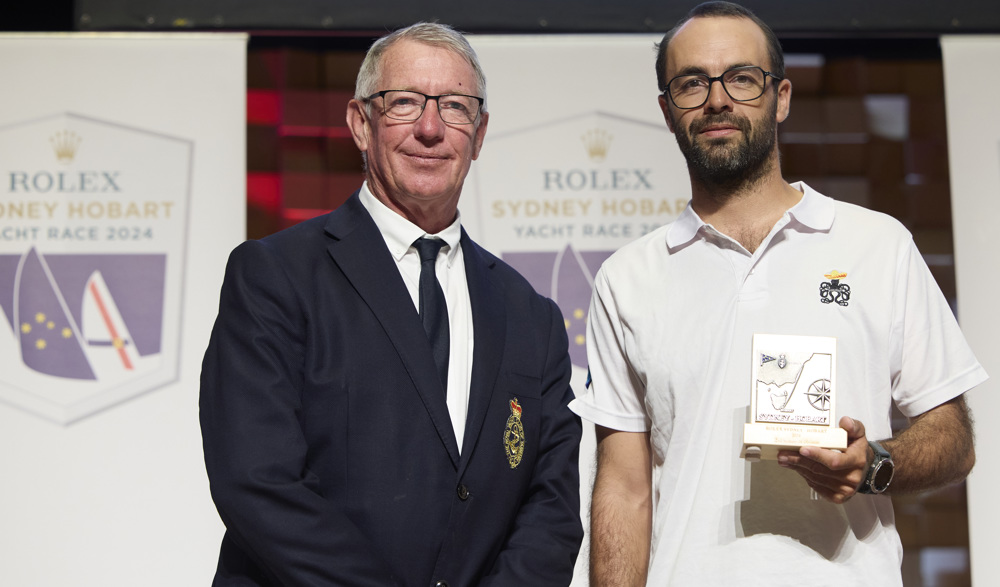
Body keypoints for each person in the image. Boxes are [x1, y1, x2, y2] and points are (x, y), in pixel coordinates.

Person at [570, 2, 988, 585]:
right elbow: (624, 488)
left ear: (781, 97)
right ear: (667, 113)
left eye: (741, 78)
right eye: (692, 83)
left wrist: (873, 466)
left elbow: (953, 439)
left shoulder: (878, 244)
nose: (718, 99)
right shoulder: (627, 277)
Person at [200, 22, 582, 586]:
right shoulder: (274, 276)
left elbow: (551, 511)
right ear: (361, 123)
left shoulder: (532, 316)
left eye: (455, 106)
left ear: (478, 135)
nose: (430, 128)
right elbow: (257, 480)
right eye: (404, 103)